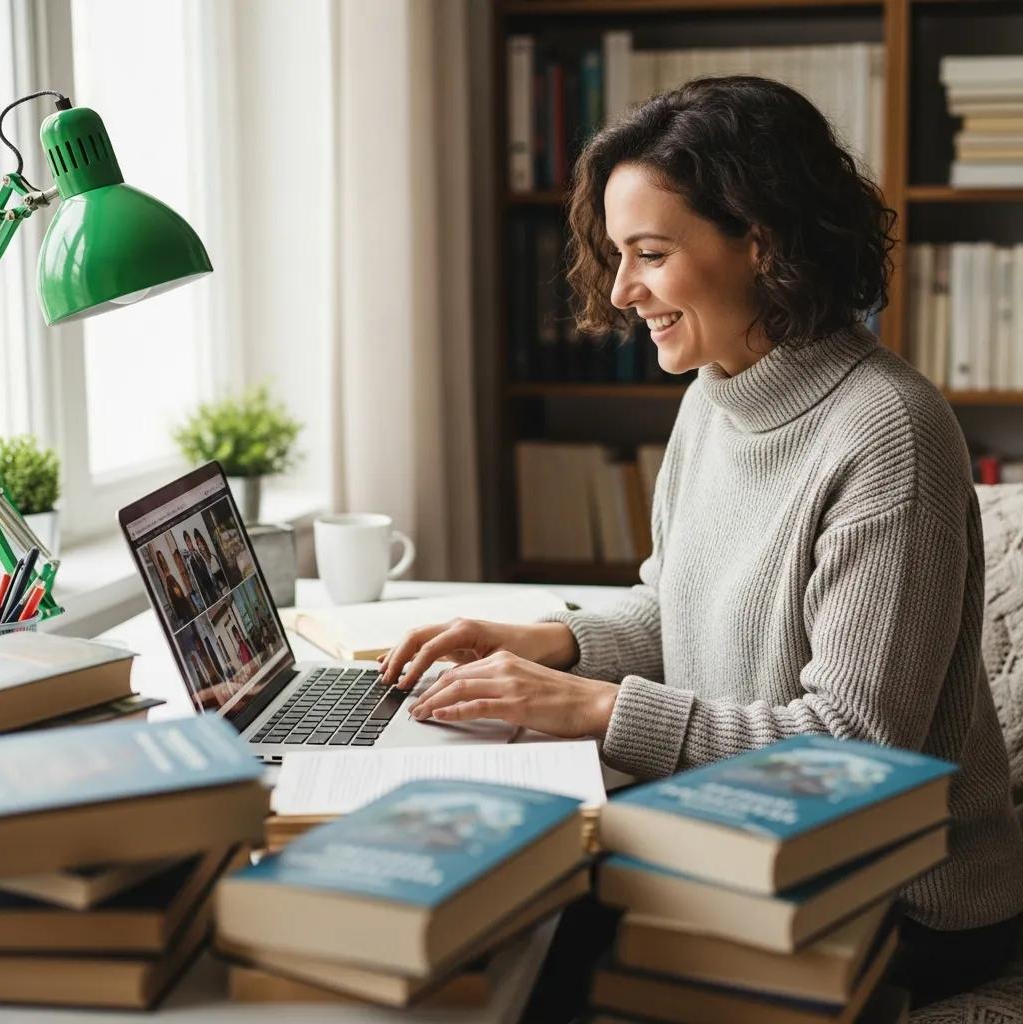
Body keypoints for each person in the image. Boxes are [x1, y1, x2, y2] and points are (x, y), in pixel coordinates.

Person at [379, 77, 1023, 1008]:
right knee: (479, 903)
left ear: (760, 243)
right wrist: (553, 642)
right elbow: (678, 600)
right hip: (747, 834)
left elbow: (853, 747)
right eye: (616, 254)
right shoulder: (715, 395)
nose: (622, 289)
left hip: (900, 894)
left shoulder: (889, 433)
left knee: (523, 943)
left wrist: (599, 710)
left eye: (649, 253)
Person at [154, 549, 196, 627]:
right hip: (170, 581)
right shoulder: (166, 575)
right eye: (161, 558)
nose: (162, 559)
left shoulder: (169, 572)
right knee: (179, 603)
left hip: (172, 580)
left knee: (182, 601)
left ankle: (189, 618)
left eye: (162, 556)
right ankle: (187, 619)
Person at [184, 529, 220, 607]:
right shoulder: (188, 559)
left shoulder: (198, 552)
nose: (189, 542)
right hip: (202, 585)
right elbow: (192, 575)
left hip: (208, 578)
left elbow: (206, 563)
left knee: (216, 596)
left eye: (189, 540)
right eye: (187, 541)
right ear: (186, 543)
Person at [195, 528, 228, 595]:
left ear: (203, 542)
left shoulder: (213, 557)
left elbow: (224, 575)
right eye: (198, 543)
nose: (200, 545)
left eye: (200, 541)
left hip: (225, 589)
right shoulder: (202, 565)